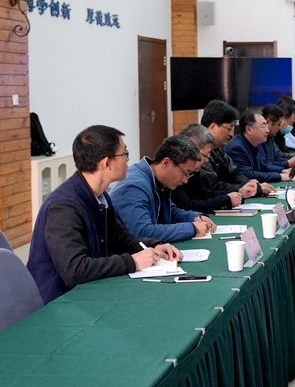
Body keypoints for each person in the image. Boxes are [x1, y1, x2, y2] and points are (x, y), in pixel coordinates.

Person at [27, 125, 181, 304]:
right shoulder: (64, 207)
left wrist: (154, 246)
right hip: (60, 302)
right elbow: (74, 270)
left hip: (91, 293)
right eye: (124, 154)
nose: (128, 159)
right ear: (106, 163)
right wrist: (132, 262)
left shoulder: (101, 196)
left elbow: (122, 239)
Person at [112, 135, 216, 243]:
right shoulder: (134, 186)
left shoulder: (159, 180)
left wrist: (194, 217)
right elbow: (143, 232)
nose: (185, 180)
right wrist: (192, 229)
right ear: (166, 163)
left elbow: (170, 212)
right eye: (186, 173)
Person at [199, 100, 274, 199]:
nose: (231, 134)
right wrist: (251, 189)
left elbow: (235, 173)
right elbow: (214, 186)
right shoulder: (200, 151)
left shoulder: (219, 149)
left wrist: (249, 184)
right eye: (229, 129)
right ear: (213, 127)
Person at [172, 123, 246, 213]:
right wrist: (225, 200)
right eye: (206, 155)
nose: (207, 160)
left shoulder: (194, 170)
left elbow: (202, 193)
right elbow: (187, 205)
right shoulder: (174, 170)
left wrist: (234, 195)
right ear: (193, 151)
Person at [225, 110, 293, 183]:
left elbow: (262, 166)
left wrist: (282, 170)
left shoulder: (253, 143)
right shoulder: (236, 147)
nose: (267, 130)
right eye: (263, 126)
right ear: (249, 129)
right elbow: (248, 174)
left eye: (266, 126)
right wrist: (279, 176)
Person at [261, 104, 295, 170]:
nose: (279, 128)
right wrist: (288, 163)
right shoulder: (259, 139)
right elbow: (263, 166)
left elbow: (275, 158)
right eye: (279, 124)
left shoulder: (270, 137)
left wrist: (290, 161)